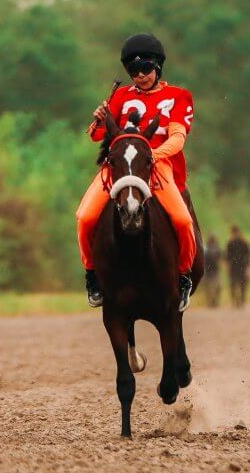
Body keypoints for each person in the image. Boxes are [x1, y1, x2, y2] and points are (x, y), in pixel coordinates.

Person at [76, 33, 198, 310]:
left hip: (157, 163)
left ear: (158, 67)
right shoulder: (120, 96)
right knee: (84, 216)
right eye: (134, 70)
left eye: (146, 68)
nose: (140, 75)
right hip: (119, 164)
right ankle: (92, 274)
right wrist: (98, 121)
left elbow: (178, 139)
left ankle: (183, 276)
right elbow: (97, 137)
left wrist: (151, 155)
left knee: (182, 221)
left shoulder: (179, 97)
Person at [226, 226, 250, 308]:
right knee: (234, 285)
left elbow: (249, 257)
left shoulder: (244, 243)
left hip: (241, 267)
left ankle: (241, 302)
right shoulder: (230, 243)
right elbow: (227, 257)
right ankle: (235, 302)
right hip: (234, 267)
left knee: (242, 286)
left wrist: (249, 268)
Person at [205, 234, 222, 307]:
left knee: (211, 288)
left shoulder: (206, 249)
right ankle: (213, 302)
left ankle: (212, 302)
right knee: (216, 287)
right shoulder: (214, 249)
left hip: (210, 271)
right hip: (213, 271)